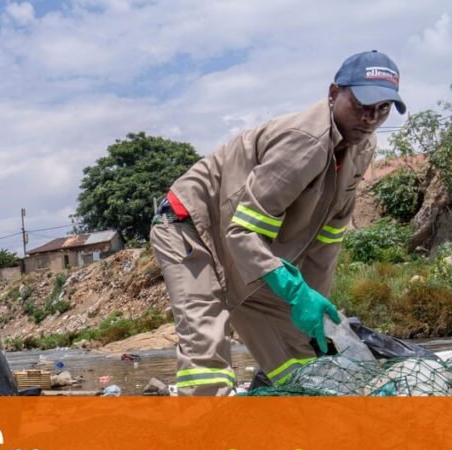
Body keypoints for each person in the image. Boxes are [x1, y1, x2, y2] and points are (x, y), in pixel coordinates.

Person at [149, 50, 406, 395]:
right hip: (190, 227)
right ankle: (206, 436)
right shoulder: (306, 141)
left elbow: (327, 240)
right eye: (362, 105)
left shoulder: (362, 147)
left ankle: (304, 425)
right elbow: (241, 231)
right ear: (333, 94)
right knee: (206, 340)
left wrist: (314, 306)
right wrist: (295, 290)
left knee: (295, 350)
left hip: (244, 244)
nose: (371, 118)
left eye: (382, 109)